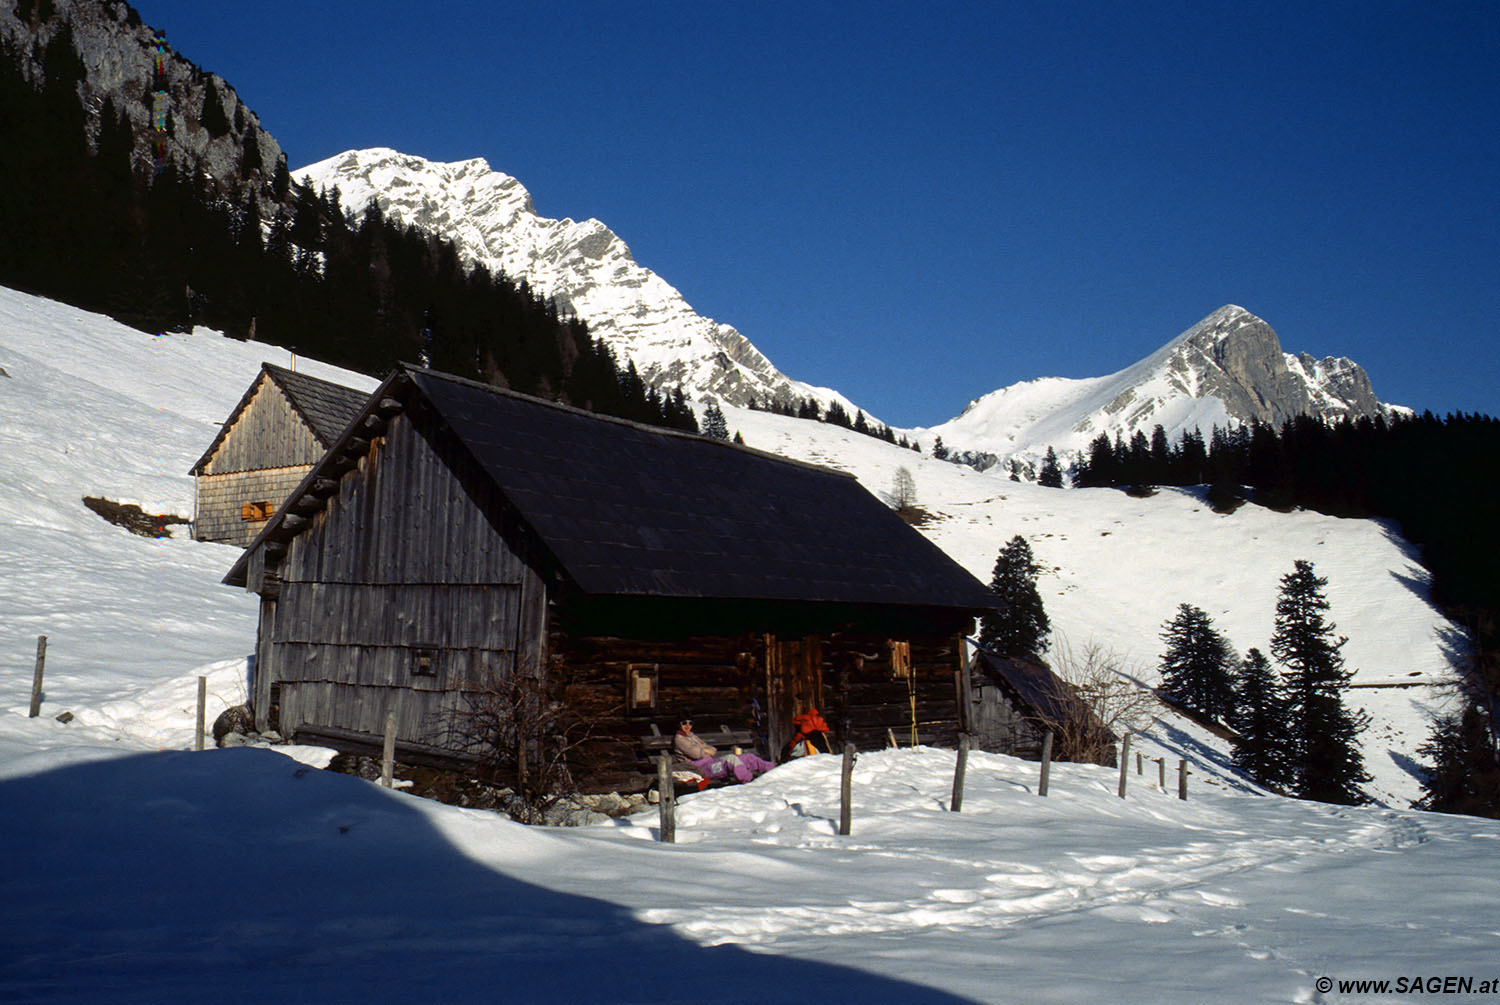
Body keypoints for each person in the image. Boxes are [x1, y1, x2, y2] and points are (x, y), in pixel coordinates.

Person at [673, 718, 775, 784]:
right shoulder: (679, 739)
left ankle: (773, 770)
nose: (687, 726)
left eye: (690, 723)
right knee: (731, 759)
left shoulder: (692, 736)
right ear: (679, 724)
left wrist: (704, 750)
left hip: (709, 763)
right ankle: (751, 782)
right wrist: (704, 750)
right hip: (700, 769)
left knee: (748, 757)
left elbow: (713, 750)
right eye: (684, 723)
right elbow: (697, 755)